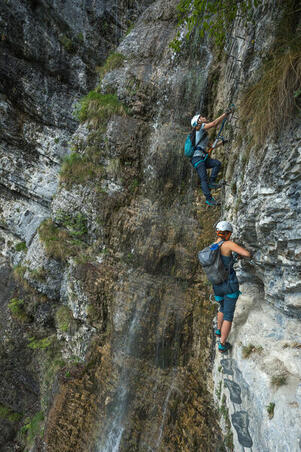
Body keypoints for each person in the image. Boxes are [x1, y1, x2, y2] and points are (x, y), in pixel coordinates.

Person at [212, 221, 251, 352]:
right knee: (228, 315)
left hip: (217, 285)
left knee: (221, 307)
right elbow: (247, 254)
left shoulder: (212, 246)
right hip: (229, 285)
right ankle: (222, 344)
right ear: (228, 233)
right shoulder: (228, 244)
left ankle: (218, 330)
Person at [190, 110, 232, 206]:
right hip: (197, 159)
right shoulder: (200, 128)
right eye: (201, 117)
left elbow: (211, 146)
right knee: (204, 178)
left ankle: (212, 182)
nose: (204, 117)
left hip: (202, 158)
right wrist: (225, 115)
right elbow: (214, 123)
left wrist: (222, 142)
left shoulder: (203, 135)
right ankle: (209, 199)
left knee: (217, 163)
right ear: (199, 121)